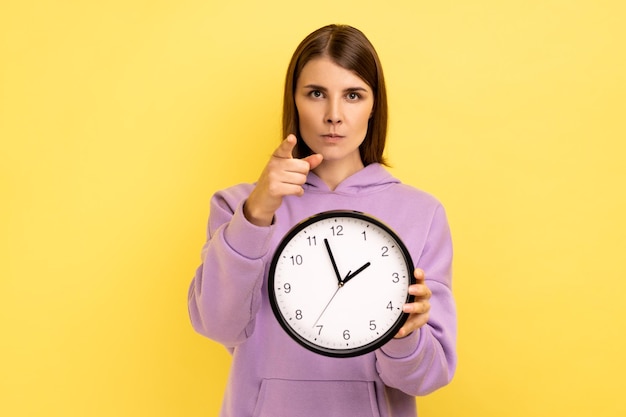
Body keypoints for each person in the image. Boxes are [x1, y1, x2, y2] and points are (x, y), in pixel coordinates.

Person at [188, 24, 456, 417]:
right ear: (294, 101)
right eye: (316, 94)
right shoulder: (238, 206)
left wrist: (404, 335)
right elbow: (217, 324)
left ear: (374, 105)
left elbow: (427, 378)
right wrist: (258, 212)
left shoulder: (421, 213)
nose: (334, 115)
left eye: (352, 95)